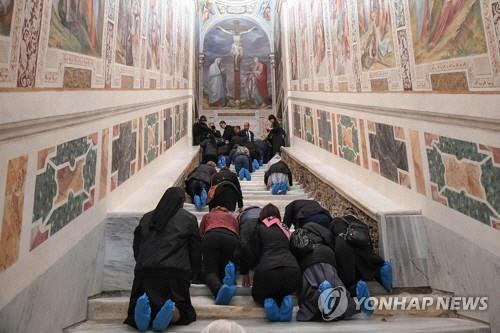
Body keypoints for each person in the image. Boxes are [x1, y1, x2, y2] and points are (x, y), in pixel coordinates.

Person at [125, 187, 200, 332]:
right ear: (181, 202)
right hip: (175, 274)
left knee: (140, 301)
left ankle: (140, 317)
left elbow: (137, 246)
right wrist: (194, 273)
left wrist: (142, 264)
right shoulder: (188, 218)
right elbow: (195, 250)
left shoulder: (146, 217)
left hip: (144, 273)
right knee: (184, 310)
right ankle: (172, 313)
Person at [240, 204, 301, 322]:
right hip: (293, 271)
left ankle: (268, 302)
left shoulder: (256, 226)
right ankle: (284, 299)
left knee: (258, 294)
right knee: (282, 289)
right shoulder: (284, 228)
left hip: (268, 270)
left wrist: (245, 271)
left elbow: (245, 247)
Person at [291, 223, 357, 321]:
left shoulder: (298, 235)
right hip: (326, 254)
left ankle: (322, 296)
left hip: (308, 261)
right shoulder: (321, 230)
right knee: (336, 284)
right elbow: (332, 241)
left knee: (310, 289)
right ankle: (345, 303)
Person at [330, 215, 393, 309]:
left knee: (347, 278)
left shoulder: (334, 223)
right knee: (366, 263)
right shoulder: (355, 223)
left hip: (342, 246)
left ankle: (357, 289)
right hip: (360, 243)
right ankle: (381, 269)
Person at [199, 207, 240, 305]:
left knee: (210, 271)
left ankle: (218, 291)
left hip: (211, 236)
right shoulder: (232, 217)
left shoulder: (208, 215)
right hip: (231, 238)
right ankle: (228, 280)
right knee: (225, 268)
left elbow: (200, 233)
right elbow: (238, 232)